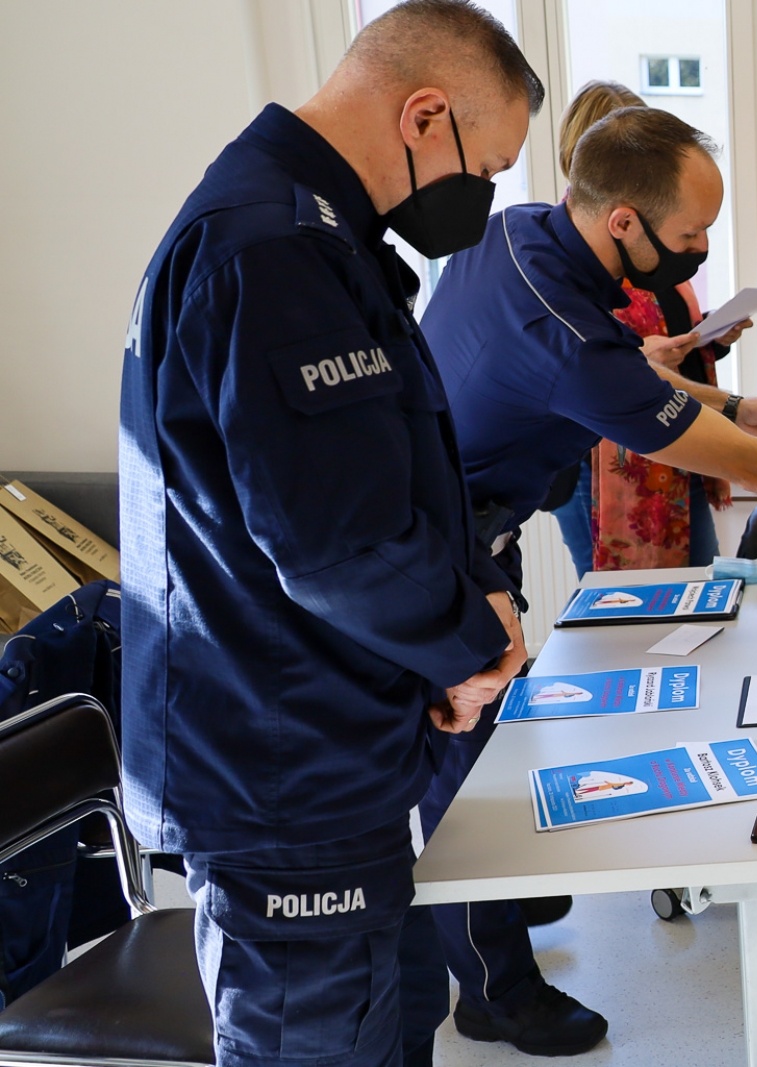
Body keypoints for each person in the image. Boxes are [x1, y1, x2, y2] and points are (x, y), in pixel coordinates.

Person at [415, 104, 757, 1057]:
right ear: (623, 219)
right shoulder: (563, 331)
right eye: (688, 235)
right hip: (440, 546)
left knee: (498, 742)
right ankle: (493, 988)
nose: (700, 251)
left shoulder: (522, 236)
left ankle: (499, 906)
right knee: (460, 778)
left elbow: (635, 370)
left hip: (473, 527)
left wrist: (736, 400)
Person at [114, 3, 581, 1064]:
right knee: (321, 1040)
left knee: (394, 1017)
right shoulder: (273, 249)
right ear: (425, 114)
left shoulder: (315, 233)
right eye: (490, 164)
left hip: (327, 750)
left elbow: (374, 478)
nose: (489, 196)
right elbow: (339, 540)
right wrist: (473, 646)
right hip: (282, 773)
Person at [546, 81, 749, 576]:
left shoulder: (653, 249)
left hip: (676, 443)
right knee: (619, 612)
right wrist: (642, 361)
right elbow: (585, 363)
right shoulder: (575, 260)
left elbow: (670, 334)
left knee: (697, 593)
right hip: (599, 465)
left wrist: (709, 337)